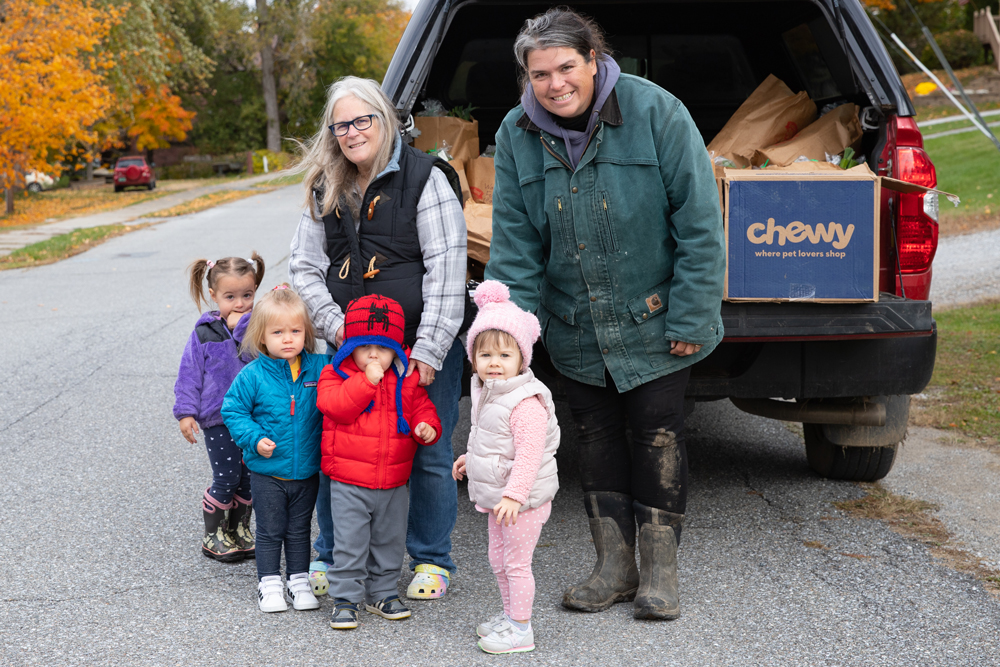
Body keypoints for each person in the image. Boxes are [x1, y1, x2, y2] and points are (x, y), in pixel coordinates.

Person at [486, 8, 726, 620]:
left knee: (656, 435)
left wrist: (691, 316)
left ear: (594, 60)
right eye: (540, 73)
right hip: (574, 325)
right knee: (593, 442)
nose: (556, 83)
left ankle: (660, 574)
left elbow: (699, 224)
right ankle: (614, 567)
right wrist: (510, 334)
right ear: (526, 76)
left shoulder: (656, 112)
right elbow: (515, 244)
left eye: (567, 66)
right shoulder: (516, 134)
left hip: (655, 317)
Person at [289, 75, 467, 600]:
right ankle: (333, 554)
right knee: (338, 448)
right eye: (340, 124)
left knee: (427, 448)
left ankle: (431, 560)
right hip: (349, 350)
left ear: (384, 119)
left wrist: (430, 348)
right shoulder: (326, 184)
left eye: (361, 120)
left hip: (417, 343)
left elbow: (447, 266)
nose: (351, 132)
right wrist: (341, 330)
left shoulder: (426, 177)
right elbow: (303, 266)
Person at [316, 294, 442, 630]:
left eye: (384, 348)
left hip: (394, 481)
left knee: (390, 541)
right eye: (365, 346)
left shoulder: (406, 381)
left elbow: (422, 409)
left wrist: (425, 426)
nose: (375, 355)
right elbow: (337, 406)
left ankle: (382, 592)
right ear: (349, 348)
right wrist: (366, 381)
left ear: (398, 350)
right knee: (350, 543)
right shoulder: (335, 375)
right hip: (348, 481)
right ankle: (345, 598)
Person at [451, 281, 560, 654]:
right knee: (497, 559)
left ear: (521, 359)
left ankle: (521, 629)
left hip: (522, 499)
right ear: (473, 358)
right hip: (501, 495)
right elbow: (488, 438)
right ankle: (510, 613)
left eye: (503, 355)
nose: (493, 363)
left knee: (516, 564)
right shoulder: (487, 390)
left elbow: (529, 455)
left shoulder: (524, 401)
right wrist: (471, 459)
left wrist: (515, 495)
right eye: (485, 355)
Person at [221, 286, 328, 614]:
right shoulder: (253, 375)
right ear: (261, 336)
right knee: (270, 530)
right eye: (278, 332)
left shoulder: (319, 368)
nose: (287, 339)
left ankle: (298, 580)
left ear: (306, 333)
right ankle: (268, 582)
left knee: (299, 529)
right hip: (267, 472)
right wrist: (253, 438)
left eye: (295, 331)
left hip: (307, 472)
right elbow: (233, 410)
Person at [174, 253, 264, 562]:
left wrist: (243, 328)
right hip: (218, 418)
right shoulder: (203, 333)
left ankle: (239, 529)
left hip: (254, 417)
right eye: (230, 297)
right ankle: (214, 535)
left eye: (247, 295)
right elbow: (188, 374)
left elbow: (262, 359)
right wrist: (186, 413)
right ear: (213, 296)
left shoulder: (258, 327)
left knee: (249, 475)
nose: (240, 303)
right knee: (226, 476)